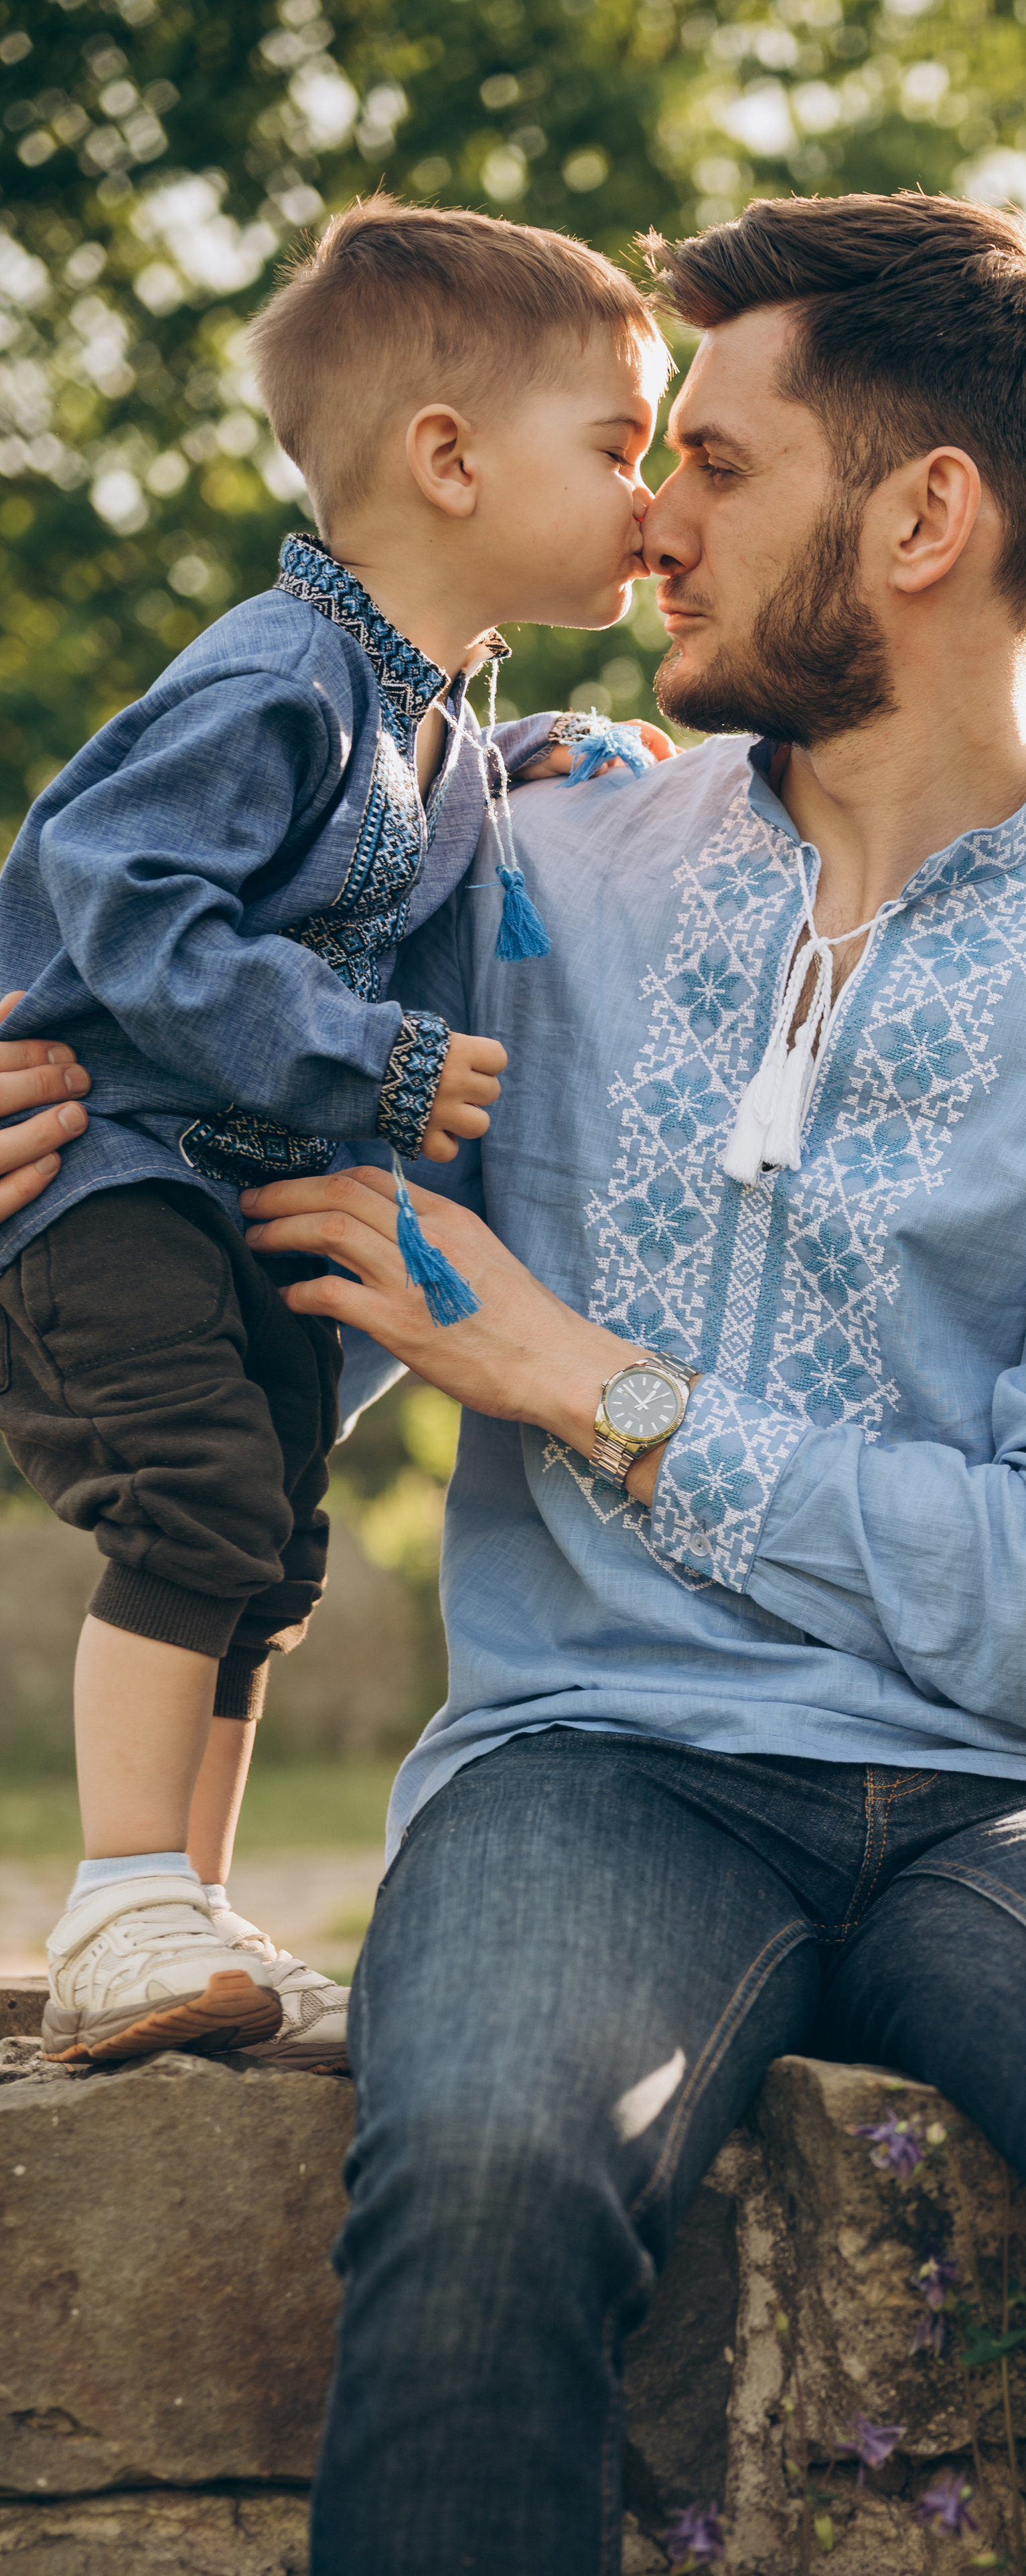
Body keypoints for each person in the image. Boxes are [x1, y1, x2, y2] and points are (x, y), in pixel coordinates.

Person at [13, 192, 1026, 2571]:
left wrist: (583, 1381)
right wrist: (51, 1148)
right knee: (487, 2153)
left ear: (927, 516)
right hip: (595, 1763)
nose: (649, 518)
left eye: (718, 467)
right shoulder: (512, 866)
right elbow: (211, 1187)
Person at [0, 196, 670, 2072]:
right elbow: (118, 893)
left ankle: (182, 1917)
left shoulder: (428, 706)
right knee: (196, 1496)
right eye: (617, 445)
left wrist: (535, 771)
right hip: (109, 1172)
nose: (648, 495)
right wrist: (366, 1058)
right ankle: (121, 1891)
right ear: (446, 458)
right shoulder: (275, 673)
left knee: (272, 1547)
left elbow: (406, 825)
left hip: (234, 1200)